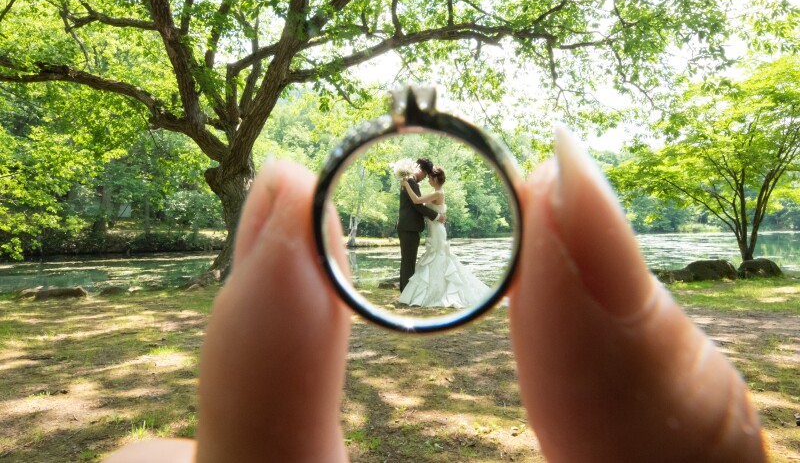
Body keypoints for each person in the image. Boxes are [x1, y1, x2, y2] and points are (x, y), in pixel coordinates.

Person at [105, 128, 765, 462]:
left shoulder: (433, 192)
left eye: (420, 174)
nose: (418, 176)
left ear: (431, 173)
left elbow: (432, 209)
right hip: (431, 237)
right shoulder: (420, 186)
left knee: (435, 275)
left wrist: (425, 202)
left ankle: (424, 290)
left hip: (439, 238)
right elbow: (420, 202)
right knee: (426, 277)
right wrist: (415, 194)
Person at [398, 166, 492, 307]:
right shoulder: (436, 192)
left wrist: (406, 185)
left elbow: (417, 201)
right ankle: (433, 289)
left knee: (439, 256)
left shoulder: (438, 193)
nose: (428, 180)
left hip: (437, 230)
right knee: (436, 256)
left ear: (435, 179)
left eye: (429, 178)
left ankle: (439, 291)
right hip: (435, 229)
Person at [396, 158, 445, 292]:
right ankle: (406, 292)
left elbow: (418, 203)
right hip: (409, 227)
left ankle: (405, 291)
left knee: (407, 260)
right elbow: (417, 205)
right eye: (426, 175)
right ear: (422, 170)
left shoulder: (409, 181)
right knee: (408, 261)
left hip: (408, 227)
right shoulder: (410, 181)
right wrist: (436, 216)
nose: (425, 179)